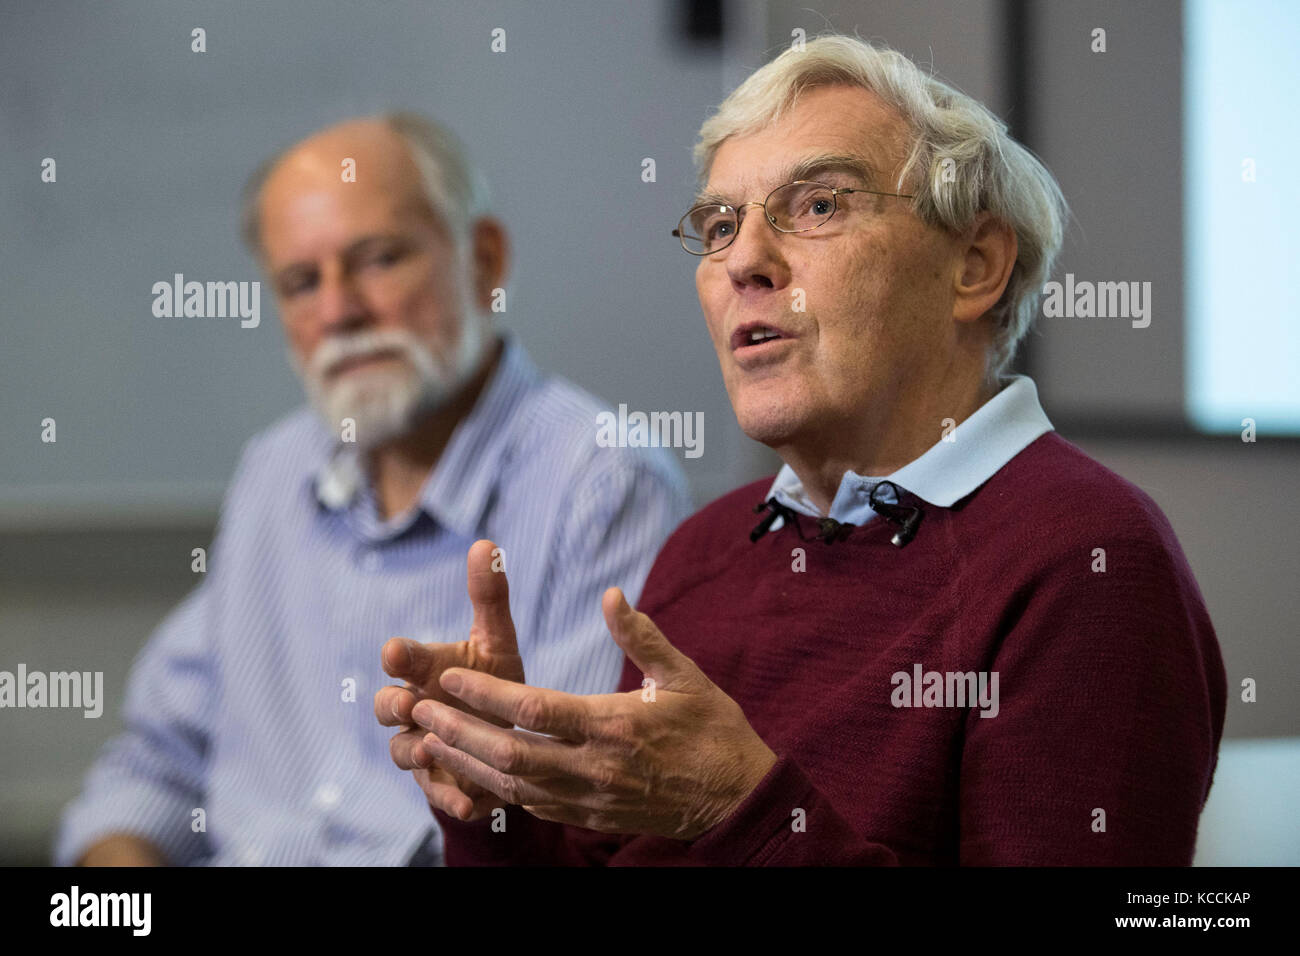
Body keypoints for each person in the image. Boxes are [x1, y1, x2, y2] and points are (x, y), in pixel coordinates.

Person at [379, 37, 1226, 865]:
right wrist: (499, 804)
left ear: (974, 266)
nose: (745, 258)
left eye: (819, 204)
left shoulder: (1090, 559)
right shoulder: (707, 548)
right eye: (718, 224)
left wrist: (739, 813)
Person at [54, 113, 691, 866]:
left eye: (378, 259)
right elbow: (155, 762)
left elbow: (577, 831)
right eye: (299, 283)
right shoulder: (275, 472)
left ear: (483, 260)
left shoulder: (603, 484)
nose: (338, 312)